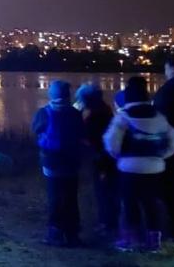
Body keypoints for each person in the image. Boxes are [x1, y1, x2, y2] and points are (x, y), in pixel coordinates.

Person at [104, 76, 174, 252]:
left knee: (130, 204)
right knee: (151, 204)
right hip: (154, 169)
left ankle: (131, 240)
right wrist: (161, 156)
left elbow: (111, 143)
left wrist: (120, 157)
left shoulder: (123, 117)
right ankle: (154, 242)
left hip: (129, 169)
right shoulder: (160, 117)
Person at [32, 80, 84, 246]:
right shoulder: (75, 113)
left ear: (51, 94)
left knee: (55, 197)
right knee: (71, 198)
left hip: (51, 161)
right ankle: (72, 234)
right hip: (72, 163)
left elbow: (35, 130)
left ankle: (55, 233)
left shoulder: (44, 112)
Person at [76, 83, 117, 235]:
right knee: (106, 189)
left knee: (104, 190)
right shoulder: (105, 110)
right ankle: (108, 221)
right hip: (106, 156)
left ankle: (107, 223)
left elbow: (89, 136)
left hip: (102, 157)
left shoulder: (96, 115)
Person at [152, 54, 174, 238]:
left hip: (172, 151)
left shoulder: (166, 92)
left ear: (170, 68)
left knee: (171, 190)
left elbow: (158, 122)